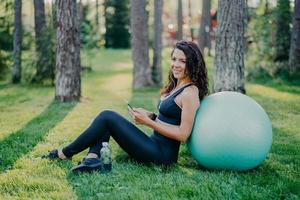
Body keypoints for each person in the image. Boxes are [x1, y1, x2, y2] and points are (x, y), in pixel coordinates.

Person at [43, 40, 209, 173]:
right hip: (153, 144)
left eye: (183, 61)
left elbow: (182, 134)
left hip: (162, 156)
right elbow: (170, 119)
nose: (176, 64)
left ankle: (63, 154)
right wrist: (151, 116)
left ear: (192, 64)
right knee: (105, 123)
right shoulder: (177, 85)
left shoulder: (190, 92)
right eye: (174, 59)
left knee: (107, 117)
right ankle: (93, 158)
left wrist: (148, 122)